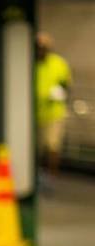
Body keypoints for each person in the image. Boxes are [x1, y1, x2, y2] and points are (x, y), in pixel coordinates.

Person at [36, 32, 72, 175]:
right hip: (36, 112)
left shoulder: (59, 64)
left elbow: (66, 85)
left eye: (43, 47)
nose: (40, 51)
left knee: (53, 146)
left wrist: (58, 94)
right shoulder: (30, 63)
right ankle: (36, 174)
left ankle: (52, 175)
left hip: (54, 113)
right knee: (36, 147)